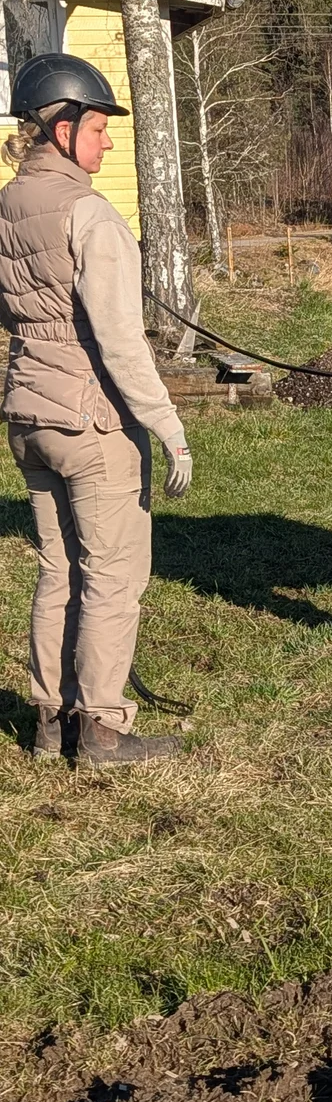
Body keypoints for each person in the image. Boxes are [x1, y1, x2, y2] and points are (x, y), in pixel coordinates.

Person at [0, 53, 193, 765]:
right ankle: (103, 730)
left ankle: (51, 720)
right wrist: (170, 429)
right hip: (91, 422)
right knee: (112, 577)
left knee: (58, 569)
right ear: (60, 128)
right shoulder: (91, 213)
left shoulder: (8, 206)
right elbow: (120, 342)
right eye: (99, 125)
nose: (108, 140)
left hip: (28, 415)